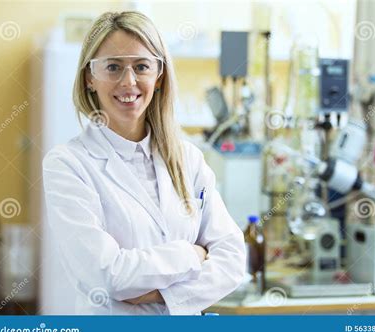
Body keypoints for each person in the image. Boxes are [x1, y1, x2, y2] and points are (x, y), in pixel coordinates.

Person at [42, 11, 246, 315]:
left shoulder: (187, 158)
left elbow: (232, 260)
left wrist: (161, 295)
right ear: (89, 78)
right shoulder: (68, 165)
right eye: (113, 67)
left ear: (159, 76)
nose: (129, 81)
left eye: (141, 66)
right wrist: (191, 254)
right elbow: (107, 275)